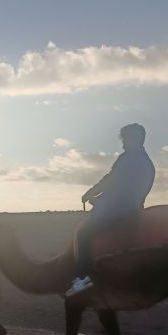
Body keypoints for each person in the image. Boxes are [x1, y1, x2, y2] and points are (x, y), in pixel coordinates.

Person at [67, 123, 155, 296]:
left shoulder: (127, 159)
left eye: (124, 140)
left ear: (131, 139)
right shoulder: (147, 162)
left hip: (120, 209)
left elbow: (113, 183)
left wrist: (94, 196)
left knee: (83, 233)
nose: (122, 144)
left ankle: (83, 280)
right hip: (134, 209)